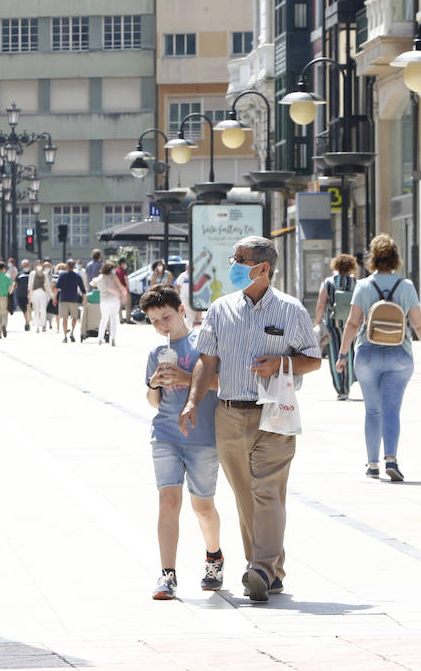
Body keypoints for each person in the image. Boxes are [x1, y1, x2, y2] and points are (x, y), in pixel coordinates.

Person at [179, 236, 321, 603]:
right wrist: (192, 401)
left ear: (264, 269)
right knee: (246, 495)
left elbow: (313, 358)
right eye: (234, 258)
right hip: (229, 413)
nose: (234, 264)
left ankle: (260, 568)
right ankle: (268, 570)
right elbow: (207, 361)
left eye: (241, 259)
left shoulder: (292, 311)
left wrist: (281, 363)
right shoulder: (219, 309)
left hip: (274, 412)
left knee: (268, 492)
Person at [142, 286, 223, 600]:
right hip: (165, 435)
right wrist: (154, 383)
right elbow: (153, 401)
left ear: (181, 310)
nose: (163, 325)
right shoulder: (155, 354)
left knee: (202, 508)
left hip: (203, 437)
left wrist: (187, 376)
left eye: (166, 317)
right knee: (169, 501)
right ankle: (167, 574)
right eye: (155, 321)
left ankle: (214, 557)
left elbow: (220, 383)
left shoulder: (203, 342)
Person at [335, 234, 421, 481]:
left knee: (373, 411)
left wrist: (342, 354)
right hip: (399, 355)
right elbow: (419, 324)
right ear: (395, 258)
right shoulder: (407, 286)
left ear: (373, 258)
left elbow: (351, 323)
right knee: (392, 410)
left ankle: (372, 464)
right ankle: (391, 459)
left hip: (367, 353)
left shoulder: (363, 286)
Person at [313, 254, 358, 400]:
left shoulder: (328, 282)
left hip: (333, 324)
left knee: (335, 355)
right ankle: (349, 381)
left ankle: (341, 388)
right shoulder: (355, 282)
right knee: (349, 352)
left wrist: (317, 321)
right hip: (351, 324)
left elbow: (321, 304)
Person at [94, 261, 128, 347]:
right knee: (113, 319)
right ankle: (113, 339)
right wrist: (123, 292)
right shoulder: (113, 277)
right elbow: (120, 286)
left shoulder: (100, 277)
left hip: (104, 301)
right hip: (114, 300)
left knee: (104, 319)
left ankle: (100, 339)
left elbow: (97, 286)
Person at [54, 259, 87, 343]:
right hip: (73, 299)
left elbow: (56, 287)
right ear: (74, 266)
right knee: (74, 318)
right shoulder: (77, 276)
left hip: (63, 299)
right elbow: (83, 289)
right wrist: (85, 299)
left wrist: (54, 298)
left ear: (67, 266)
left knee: (64, 319)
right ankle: (72, 332)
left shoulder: (62, 275)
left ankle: (65, 336)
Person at [29, 262, 51, 332]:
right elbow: (30, 285)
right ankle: (37, 325)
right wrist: (29, 295)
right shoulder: (32, 274)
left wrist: (51, 294)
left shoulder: (45, 274)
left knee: (43, 309)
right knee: (36, 309)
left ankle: (43, 324)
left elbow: (47, 285)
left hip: (43, 293)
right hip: (35, 293)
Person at [15, 260, 32, 331]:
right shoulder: (19, 275)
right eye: (24, 265)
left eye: (27, 265)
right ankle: (27, 322)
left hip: (29, 295)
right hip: (20, 295)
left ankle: (27, 322)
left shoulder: (32, 274)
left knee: (28, 310)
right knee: (24, 310)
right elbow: (15, 284)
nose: (26, 267)